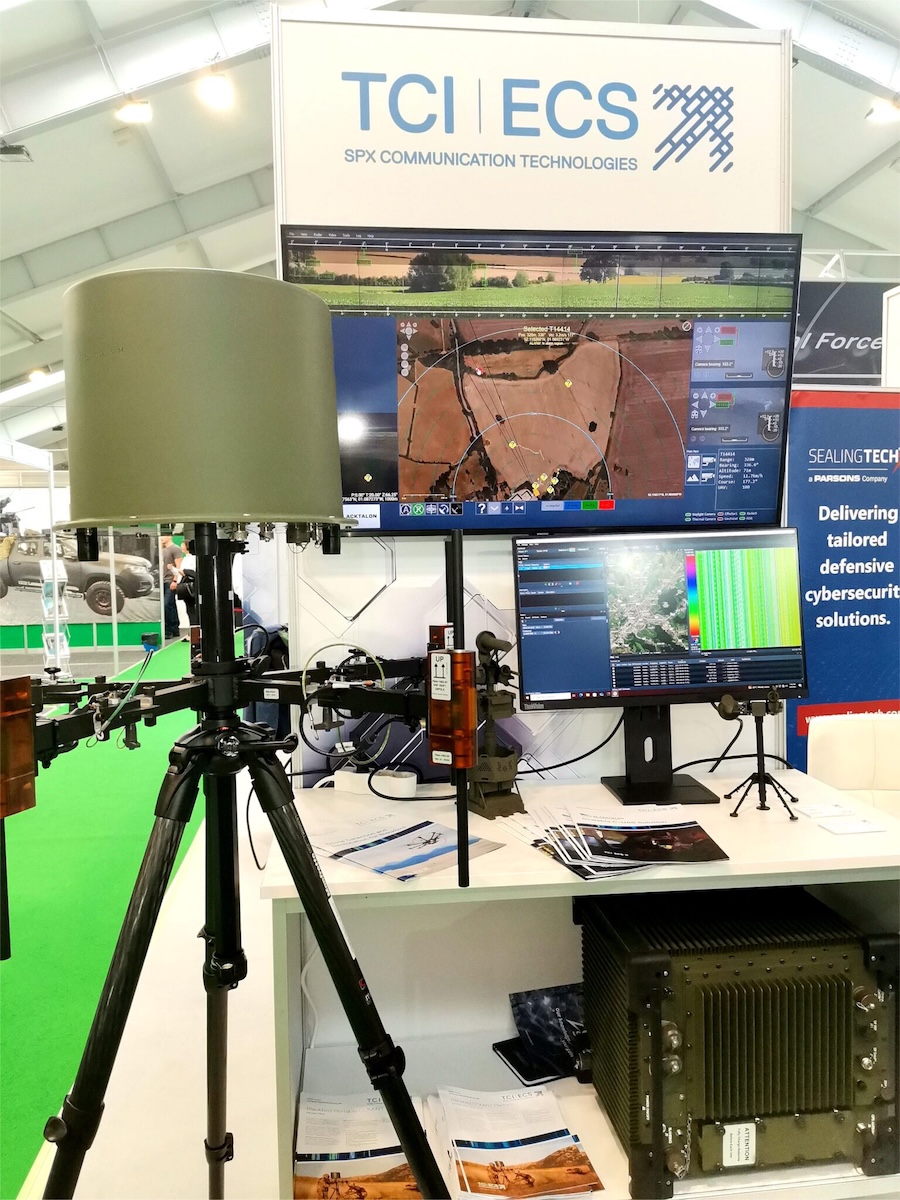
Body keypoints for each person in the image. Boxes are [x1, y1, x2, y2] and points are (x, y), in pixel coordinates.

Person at [160, 534, 182, 639]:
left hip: (170, 581)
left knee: (167, 604)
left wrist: (175, 580)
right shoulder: (162, 549)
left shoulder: (175, 549)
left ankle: (170, 628)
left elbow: (179, 566)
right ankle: (173, 628)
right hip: (162, 581)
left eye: (163, 535)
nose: (161, 538)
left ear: (169, 536)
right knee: (170, 605)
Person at [175, 538, 198, 629]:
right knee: (189, 610)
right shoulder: (186, 558)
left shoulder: (193, 558)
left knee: (193, 610)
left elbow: (195, 573)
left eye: (183, 545)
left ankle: (195, 629)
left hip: (192, 587)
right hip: (186, 586)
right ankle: (192, 629)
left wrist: (185, 572)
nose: (181, 547)